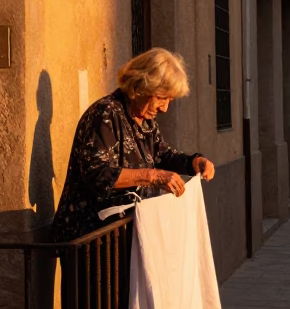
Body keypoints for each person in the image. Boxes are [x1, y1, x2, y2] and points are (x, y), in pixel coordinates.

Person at [51, 47, 215, 244]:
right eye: (161, 98)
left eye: (169, 100)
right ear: (141, 87)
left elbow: (162, 155)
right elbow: (97, 174)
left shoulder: (145, 120)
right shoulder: (105, 114)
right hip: (93, 241)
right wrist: (152, 176)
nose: (165, 108)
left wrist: (194, 162)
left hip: (124, 238)